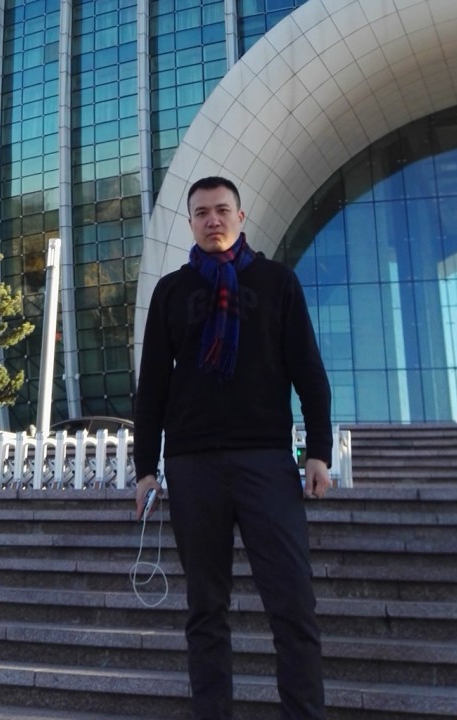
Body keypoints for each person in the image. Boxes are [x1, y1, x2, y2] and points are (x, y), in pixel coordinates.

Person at [133, 176, 332, 720]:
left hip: (265, 459)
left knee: (293, 604)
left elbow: (308, 369)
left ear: (240, 217)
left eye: (222, 210)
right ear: (190, 222)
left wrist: (318, 451)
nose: (212, 220)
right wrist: (146, 468)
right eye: (202, 213)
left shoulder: (276, 282)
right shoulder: (171, 291)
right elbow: (152, 387)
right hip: (192, 464)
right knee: (206, 610)